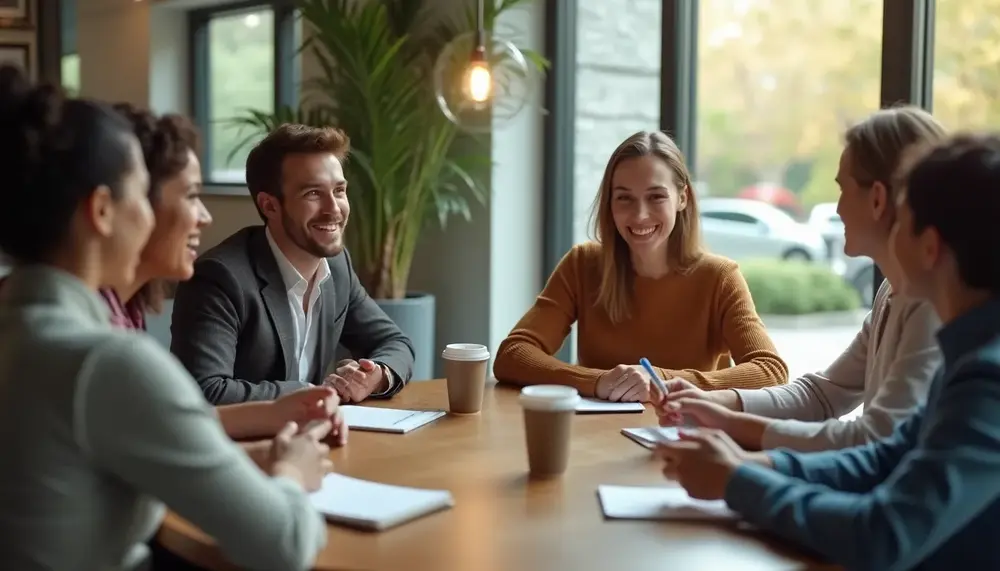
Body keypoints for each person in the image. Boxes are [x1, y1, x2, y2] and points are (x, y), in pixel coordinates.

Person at [0, 67, 328, 570]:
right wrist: (291, 471)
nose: (151, 217)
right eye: (140, 194)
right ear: (103, 210)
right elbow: (283, 544)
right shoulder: (105, 361)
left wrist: (245, 460)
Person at [655, 133, 1000, 570]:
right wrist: (754, 466)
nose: (893, 228)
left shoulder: (986, 379)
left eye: (904, 217)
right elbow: (884, 457)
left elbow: (882, 535)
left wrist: (738, 481)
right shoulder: (967, 352)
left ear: (930, 248)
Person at [657, 107, 946, 451]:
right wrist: (718, 405)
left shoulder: (930, 307)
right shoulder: (891, 291)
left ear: (878, 199)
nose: (837, 209)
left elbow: (876, 438)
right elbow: (823, 394)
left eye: (842, 188)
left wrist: (737, 434)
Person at [107, 103, 347, 453]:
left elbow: (156, 428)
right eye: (191, 196)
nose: (204, 217)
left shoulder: (125, 311)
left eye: (339, 190)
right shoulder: (93, 339)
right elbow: (146, 449)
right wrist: (280, 467)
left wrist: (277, 418)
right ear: (106, 208)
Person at [493, 130, 788, 401]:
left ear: (682, 197)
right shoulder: (582, 265)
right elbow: (512, 355)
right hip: (593, 438)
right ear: (610, 203)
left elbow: (771, 371)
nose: (640, 215)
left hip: (682, 438)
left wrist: (662, 379)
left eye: (656, 196)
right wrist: (597, 381)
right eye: (624, 198)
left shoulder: (720, 277)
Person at [170, 123, 415, 405]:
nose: (333, 209)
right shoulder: (220, 278)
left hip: (314, 439)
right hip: (241, 446)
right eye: (313, 193)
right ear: (270, 206)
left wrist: (375, 375)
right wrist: (315, 392)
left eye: (338, 190)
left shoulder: (336, 266)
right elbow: (205, 392)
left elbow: (396, 343)